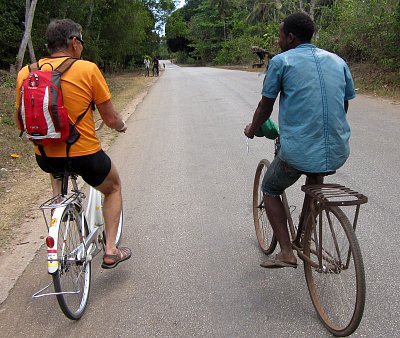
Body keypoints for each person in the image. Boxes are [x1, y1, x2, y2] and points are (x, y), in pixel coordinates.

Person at [15, 18, 131, 269]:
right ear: (74, 42)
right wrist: (121, 126)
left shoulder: (27, 72)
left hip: (44, 156)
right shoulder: (87, 69)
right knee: (112, 188)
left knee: (56, 165)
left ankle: (59, 204)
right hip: (84, 155)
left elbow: (20, 119)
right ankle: (111, 250)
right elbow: (110, 118)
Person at [244, 13, 355, 269]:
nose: (278, 39)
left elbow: (265, 107)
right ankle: (305, 235)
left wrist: (252, 129)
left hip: (297, 152)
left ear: (290, 37)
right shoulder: (338, 61)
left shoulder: (281, 62)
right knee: (314, 179)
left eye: (280, 34)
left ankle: (286, 251)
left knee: (270, 189)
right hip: (336, 150)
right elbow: (343, 103)